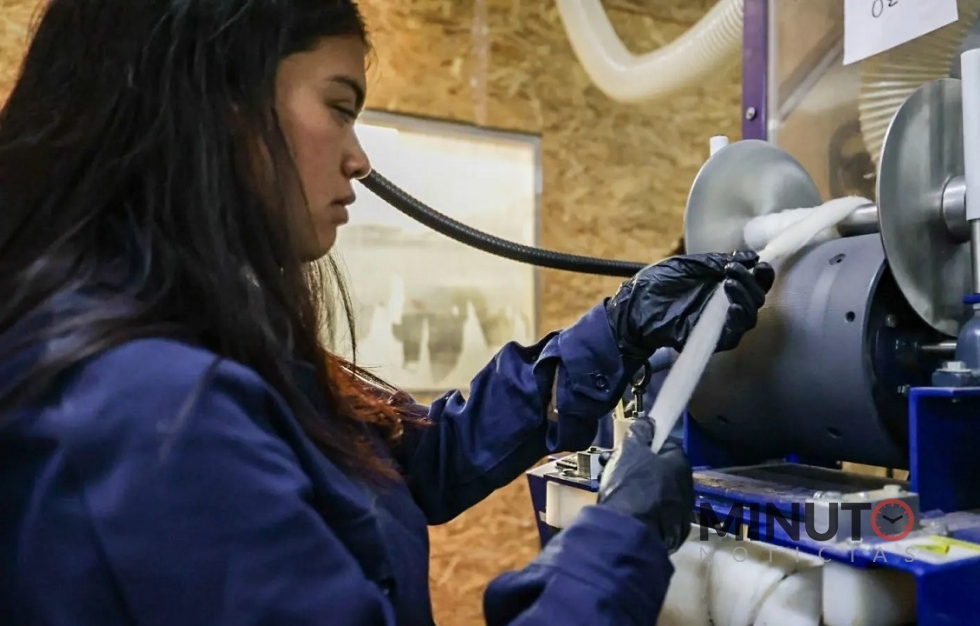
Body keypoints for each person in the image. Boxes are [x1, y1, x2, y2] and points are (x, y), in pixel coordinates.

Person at [0, 1, 775, 624]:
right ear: (215, 102)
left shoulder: (203, 338)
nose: (359, 158)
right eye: (338, 106)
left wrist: (621, 327)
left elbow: (407, 466)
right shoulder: (151, 407)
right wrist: (619, 546)